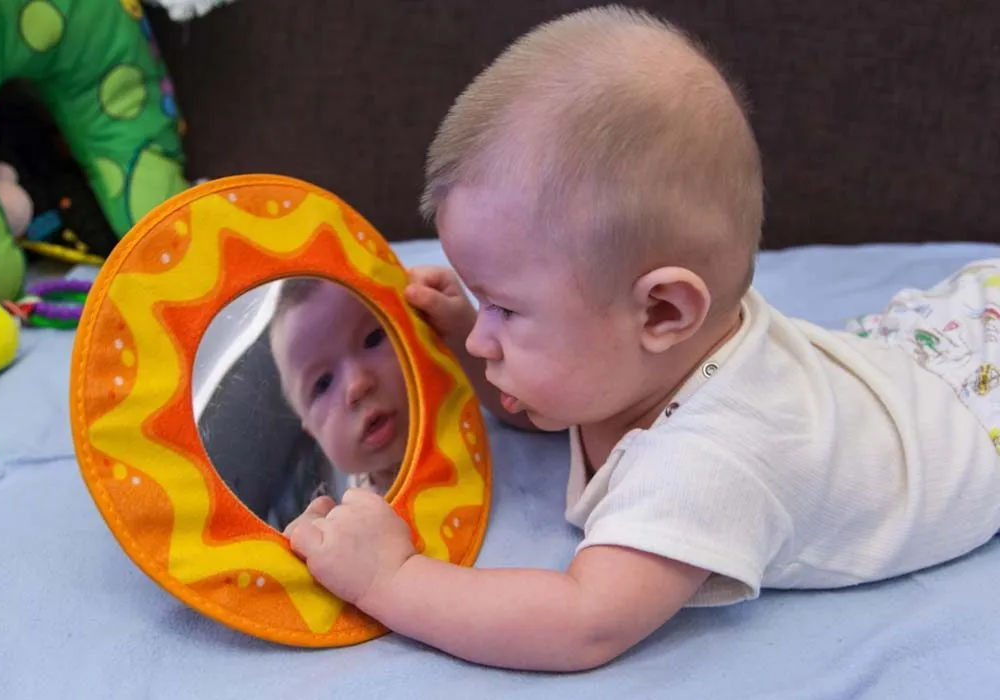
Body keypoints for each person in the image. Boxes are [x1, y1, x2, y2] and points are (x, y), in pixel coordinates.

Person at [284, 6, 1000, 671]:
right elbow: (541, 405)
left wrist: (392, 578)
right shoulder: (633, 354)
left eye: (506, 308)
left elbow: (582, 622)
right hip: (917, 353)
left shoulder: (710, 463)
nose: (481, 344)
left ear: (662, 312)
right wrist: (471, 327)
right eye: (484, 306)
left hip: (971, 421)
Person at [269, 277, 409, 497]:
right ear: (313, 432)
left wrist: (460, 330)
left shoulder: (460, 384)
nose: (358, 385)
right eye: (323, 384)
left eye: (372, 339)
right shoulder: (359, 517)